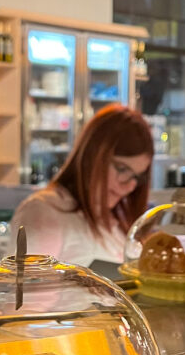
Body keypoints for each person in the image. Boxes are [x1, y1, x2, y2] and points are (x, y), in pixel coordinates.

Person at [12, 105, 154, 266]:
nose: (129, 186)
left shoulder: (118, 216)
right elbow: (29, 289)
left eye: (136, 176)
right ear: (92, 156)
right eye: (122, 169)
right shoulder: (46, 211)